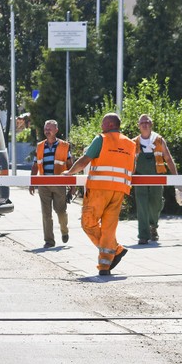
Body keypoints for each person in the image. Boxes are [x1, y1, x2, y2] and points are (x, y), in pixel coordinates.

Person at [63, 113, 136, 276]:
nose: (101, 126)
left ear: (110, 125)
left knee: (88, 223)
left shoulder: (101, 139)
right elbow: (132, 168)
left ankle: (115, 250)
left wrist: (70, 172)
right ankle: (104, 266)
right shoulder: (130, 144)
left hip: (99, 189)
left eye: (103, 124)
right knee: (109, 228)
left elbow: (85, 160)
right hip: (119, 190)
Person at [132, 114, 179, 244]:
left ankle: (153, 225)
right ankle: (143, 235)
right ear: (139, 126)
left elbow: (168, 159)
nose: (145, 125)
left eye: (147, 122)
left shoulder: (158, 140)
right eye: (142, 123)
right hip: (139, 178)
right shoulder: (134, 142)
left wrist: (176, 178)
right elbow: (127, 162)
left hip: (157, 177)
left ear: (151, 124)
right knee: (142, 205)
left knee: (156, 203)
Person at [29, 119, 74, 248]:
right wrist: (32, 182)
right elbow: (35, 165)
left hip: (59, 183)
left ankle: (64, 231)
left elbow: (70, 166)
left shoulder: (64, 146)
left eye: (50, 128)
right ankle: (49, 241)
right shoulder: (39, 146)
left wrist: (72, 186)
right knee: (46, 213)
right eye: (45, 128)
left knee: (60, 211)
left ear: (56, 130)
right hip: (43, 184)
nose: (47, 131)